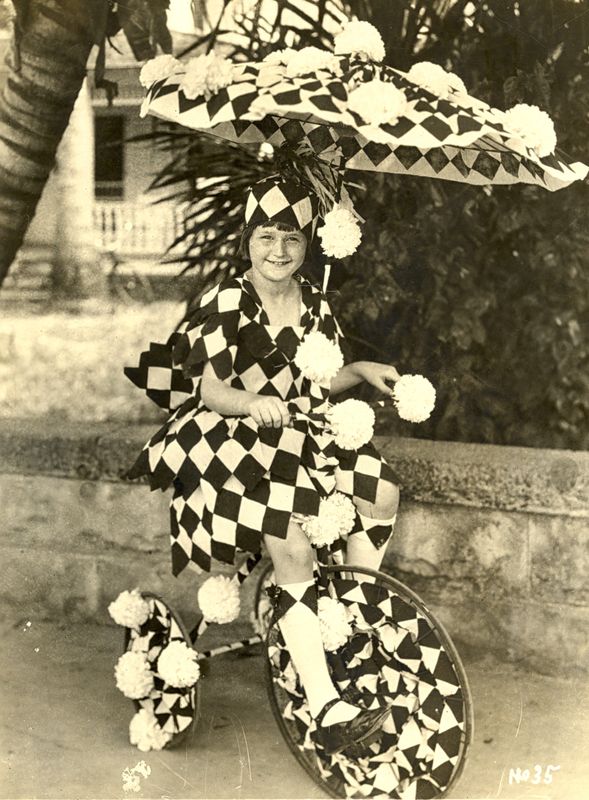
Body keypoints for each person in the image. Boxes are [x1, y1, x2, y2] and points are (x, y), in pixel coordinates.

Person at [126, 176, 401, 754]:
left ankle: (347, 614)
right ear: (247, 240)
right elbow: (211, 390)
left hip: (298, 431)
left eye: (293, 240)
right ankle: (325, 704)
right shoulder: (227, 301)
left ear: (308, 246)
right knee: (293, 539)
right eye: (267, 236)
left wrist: (363, 371)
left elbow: (321, 380)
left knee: (381, 494)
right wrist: (254, 402)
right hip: (231, 445)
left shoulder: (315, 302)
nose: (279, 251)